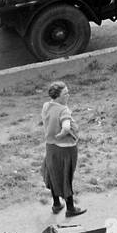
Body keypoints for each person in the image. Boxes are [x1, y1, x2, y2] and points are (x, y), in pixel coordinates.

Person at [41, 81, 85, 218]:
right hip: (65, 149)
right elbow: (66, 127)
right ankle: (70, 208)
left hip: (50, 147)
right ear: (58, 96)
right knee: (66, 176)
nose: (68, 95)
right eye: (65, 93)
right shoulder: (63, 110)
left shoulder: (46, 106)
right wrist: (61, 134)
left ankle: (56, 204)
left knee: (53, 174)